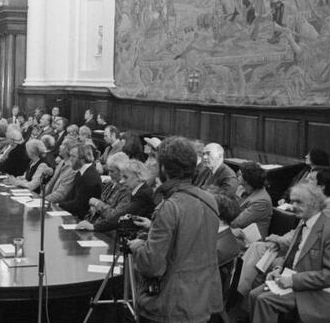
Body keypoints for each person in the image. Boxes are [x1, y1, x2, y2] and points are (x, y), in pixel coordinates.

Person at [127, 136, 223, 322]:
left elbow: (152, 265)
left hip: (172, 304)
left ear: (163, 169)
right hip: (202, 299)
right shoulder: (210, 200)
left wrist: (139, 246)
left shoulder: (169, 207)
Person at [247, 183, 330, 323]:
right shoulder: (304, 224)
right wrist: (279, 269)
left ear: (314, 203)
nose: (292, 206)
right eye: (292, 201)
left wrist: (293, 280)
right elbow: (295, 258)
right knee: (254, 294)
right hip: (294, 279)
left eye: (298, 202)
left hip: (319, 290)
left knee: (264, 300)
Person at [78, 158, 154, 232]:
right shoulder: (138, 190)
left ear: (138, 177)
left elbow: (121, 215)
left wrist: (94, 227)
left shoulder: (142, 194)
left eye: (126, 177)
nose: (122, 181)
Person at [58, 143, 102, 219]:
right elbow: (70, 196)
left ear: (82, 159)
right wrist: (60, 205)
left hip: (83, 219)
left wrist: (59, 205)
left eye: (73, 156)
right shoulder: (81, 173)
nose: (70, 159)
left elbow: (80, 205)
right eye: (70, 155)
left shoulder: (89, 178)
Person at [230, 162, 273, 240]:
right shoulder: (241, 189)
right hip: (235, 233)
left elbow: (237, 222)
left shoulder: (261, 201)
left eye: (240, 174)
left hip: (250, 241)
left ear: (247, 179)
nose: (237, 176)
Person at [43, 136, 77, 203]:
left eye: (62, 145)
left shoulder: (72, 169)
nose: (59, 147)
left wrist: (43, 200)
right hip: (48, 200)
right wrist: (41, 197)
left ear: (68, 149)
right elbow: (51, 182)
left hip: (58, 205)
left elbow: (61, 194)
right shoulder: (62, 162)